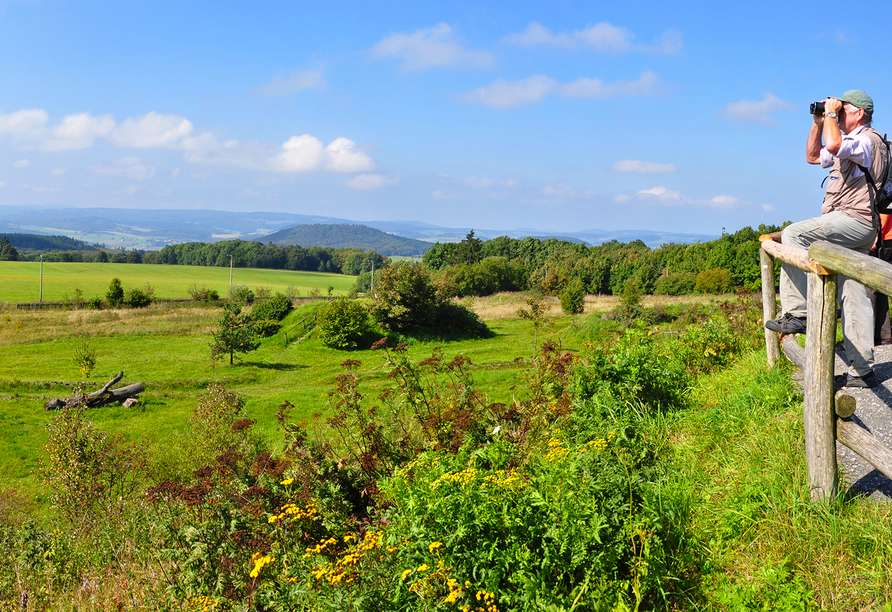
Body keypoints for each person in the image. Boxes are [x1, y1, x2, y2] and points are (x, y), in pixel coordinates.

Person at [765, 90, 888, 388]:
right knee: (852, 289)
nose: (838, 112)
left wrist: (831, 115)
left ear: (859, 113)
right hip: (857, 225)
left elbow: (834, 144)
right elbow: (811, 156)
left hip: (854, 220)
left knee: (795, 233)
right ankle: (863, 370)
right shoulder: (848, 142)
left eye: (844, 109)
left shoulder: (866, 141)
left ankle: (800, 313)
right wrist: (818, 121)